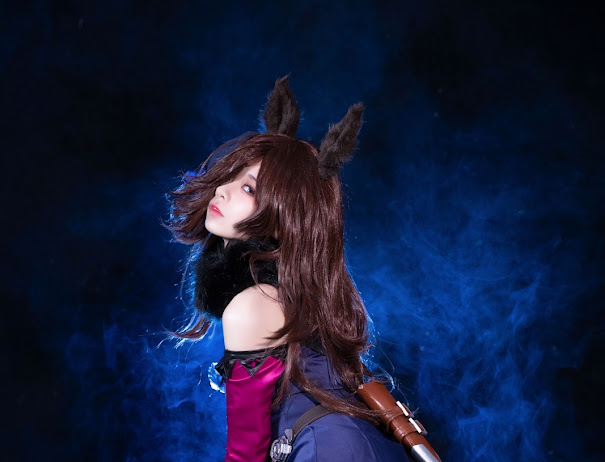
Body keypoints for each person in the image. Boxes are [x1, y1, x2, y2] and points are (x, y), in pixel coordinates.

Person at [167, 76, 410, 461]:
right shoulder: (289, 293)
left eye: (249, 188)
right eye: (230, 176)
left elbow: (246, 454)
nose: (222, 189)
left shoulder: (252, 305)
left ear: (286, 219)